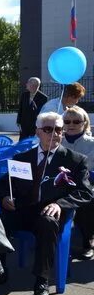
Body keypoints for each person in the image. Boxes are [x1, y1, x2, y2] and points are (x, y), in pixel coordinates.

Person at [0, 112, 92, 295]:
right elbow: (4, 185)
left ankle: (42, 283)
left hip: (51, 212)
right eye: (48, 129)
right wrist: (5, 197)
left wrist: (61, 204)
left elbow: (85, 192)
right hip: (23, 210)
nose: (55, 134)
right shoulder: (22, 158)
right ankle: (0, 270)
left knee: (47, 223)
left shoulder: (75, 160)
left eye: (59, 129)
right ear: (38, 132)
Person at [61, 106, 94, 259]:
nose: (71, 125)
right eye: (67, 121)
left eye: (76, 121)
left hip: (87, 185)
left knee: (87, 203)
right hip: (60, 184)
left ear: (84, 123)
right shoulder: (56, 141)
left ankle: (88, 242)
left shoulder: (92, 143)